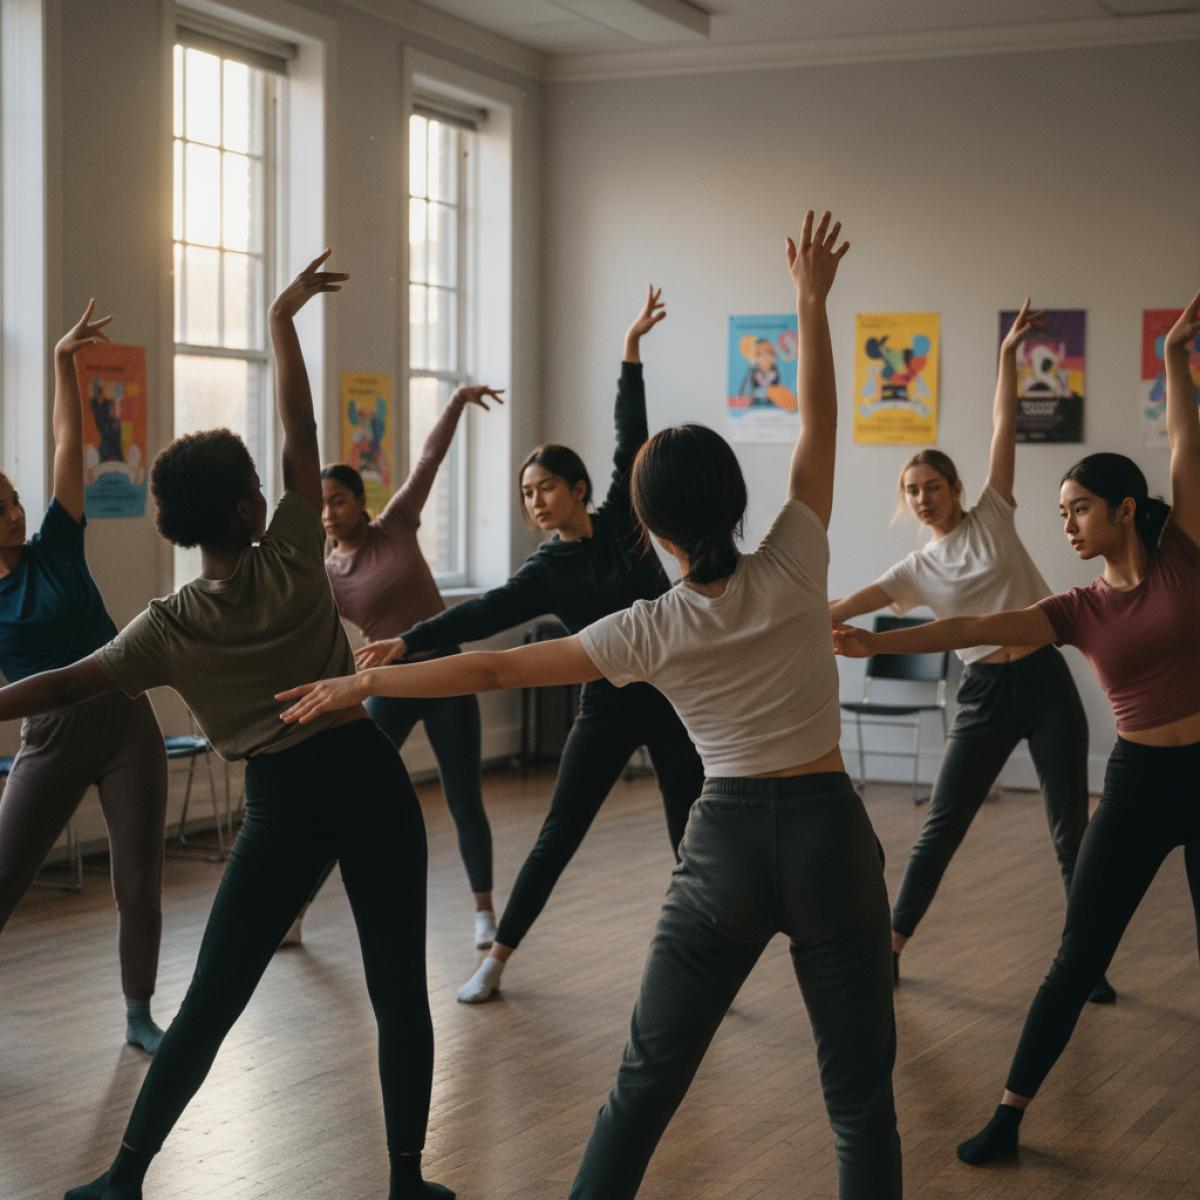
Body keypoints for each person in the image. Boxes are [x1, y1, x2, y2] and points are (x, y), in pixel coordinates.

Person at [278, 212, 903, 1200]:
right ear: (737, 500)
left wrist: (371, 680)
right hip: (831, 832)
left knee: (643, 1091)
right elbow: (820, 428)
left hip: (728, 845)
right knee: (860, 1100)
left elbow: (492, 671)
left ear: (643, 523)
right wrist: (812, 301)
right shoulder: (797, 559)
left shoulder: (648, 628)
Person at [0, 255, 450, 1200]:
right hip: (366, 774)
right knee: (397, 989)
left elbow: (62, 683)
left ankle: (124, 1178)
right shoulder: (294, 551)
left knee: (211, 1000)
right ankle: (408, 1182)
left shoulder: (168, 629)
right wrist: (282, 320)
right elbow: (302, 431)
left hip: (283, 804)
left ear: (174, 524)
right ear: (253, 505)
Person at [834, 291, 1200, 1169]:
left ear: (1123, 508)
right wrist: (875, 640)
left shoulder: (1183, 551)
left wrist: (1174, 357)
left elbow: (1187, 441)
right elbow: (966, 628)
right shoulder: (1074, 608)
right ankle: (1008, 1115)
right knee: (1075, 957)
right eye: (1063, 510)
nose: (1064, 522)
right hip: (1140, 784)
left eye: (1079, 508)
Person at [354, 285, 705, 1004]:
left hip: (671, 698)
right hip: (607, 705)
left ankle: (700, 968)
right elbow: (481, 614)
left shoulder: (626, 520)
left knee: (691, 834)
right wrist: (407, 641)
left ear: (578, 489)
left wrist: (630, 351)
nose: (535, 500)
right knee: (557, 835)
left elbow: (631, 438)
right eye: (525, 493)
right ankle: (497, 959)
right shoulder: (545, 571)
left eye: (545, 487)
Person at [830, 300, 1112, 1003]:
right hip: (983, 694)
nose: (923, 498)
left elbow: (1002, 427)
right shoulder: (915, 569)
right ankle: (891, 949)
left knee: (1069, 830)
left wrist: (1007, 355)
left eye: (933, 486)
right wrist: (787, 620)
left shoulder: (993, 514)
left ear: (957, 488)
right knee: (943, 827)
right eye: (912, 491)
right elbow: (847, 604)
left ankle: (1087, 963)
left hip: (1045, 684)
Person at [0, 301, 169, 1053]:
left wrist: (63, 360)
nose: (13, 514)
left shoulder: (57, 544)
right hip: (53, 737)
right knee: (5, 879)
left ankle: (138, 1013)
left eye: (12, 501)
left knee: (137, 880)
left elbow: (71, 443)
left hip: (126, 719)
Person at [308, 382, 504, 952]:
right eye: (322, 505)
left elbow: (428, 460)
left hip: (446, 675)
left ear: (359, 501)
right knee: (344, 797)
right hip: (389, 686)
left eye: (338, 501)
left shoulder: (395, 524)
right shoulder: (328, 577)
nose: (329, 513)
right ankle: (295, 912)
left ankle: (484, 912)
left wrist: (457, 401)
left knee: (464, 799)